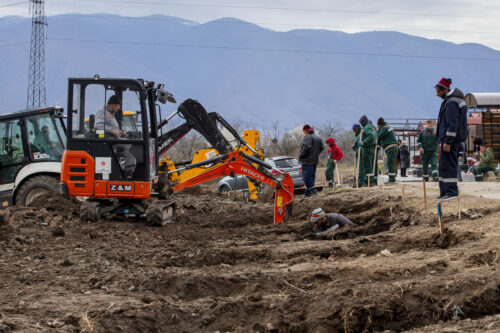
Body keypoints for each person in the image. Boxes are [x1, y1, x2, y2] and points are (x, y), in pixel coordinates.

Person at [435, 77, 468, 200]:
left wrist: (448, 141)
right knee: (443, 166)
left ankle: (452, 191)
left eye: (438, 91)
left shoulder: (452, 103)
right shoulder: (452, 101)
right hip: (447, 140)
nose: (437, 94)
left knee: (449, 165)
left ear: (444, 90)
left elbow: (452, 124)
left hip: (450, 141)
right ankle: (444, 191)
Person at [95, 95, 136, 177]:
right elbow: (98, 126)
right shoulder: (101, 113)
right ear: (113, 105)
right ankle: (129, 171)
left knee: (131, 143)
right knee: (130, 146)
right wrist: (112, 131)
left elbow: (113, 129)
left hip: (113, 139)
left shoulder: (111, 114)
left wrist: (121, 132)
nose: (118, 109)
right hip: (107, 140)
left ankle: (126, 168)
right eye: (118, 106)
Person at [299, 124, 324, 197]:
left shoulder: (308, 137)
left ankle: (313, 192)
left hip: (307, 161)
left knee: (306, 177)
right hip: (314, 161)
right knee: (311, 177)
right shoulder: (318, 138)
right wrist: (315, 154)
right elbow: (322, 147)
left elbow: (307, 147)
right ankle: (307, 195)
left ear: (305, 131)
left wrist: (301, 155)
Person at [376, 117, 398, 183]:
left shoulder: (385, 128)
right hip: (392, 147)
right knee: (391, 163)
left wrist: (377, 131)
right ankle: (392, 178)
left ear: (380, 124)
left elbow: (379, 136)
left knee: (390, 163)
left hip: (391, 147)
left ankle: (392, 180)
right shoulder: (387, 127)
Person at [357, 115, 377, 186]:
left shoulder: (368, 127)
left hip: (367, 148)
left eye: (361, 122)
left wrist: (363, 142)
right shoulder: (365, 127)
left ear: (363, 122)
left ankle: (369, 181)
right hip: (366, 148)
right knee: (367, 165)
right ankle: (367, 180)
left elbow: (371, 136)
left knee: (368, 166)